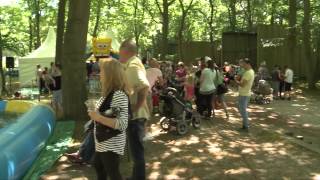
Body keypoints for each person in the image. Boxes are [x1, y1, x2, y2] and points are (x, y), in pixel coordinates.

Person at [88, 58, 130, 180]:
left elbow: (122, 124)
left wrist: (98, 117)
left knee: (112, 173)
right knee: (98, 166)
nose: (99, 74)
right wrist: (95, 112)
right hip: (103, 141)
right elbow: (108, 113)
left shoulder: (119, 95)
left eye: (102, 71)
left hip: (111, 142)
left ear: (110, 74)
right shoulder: (109, 93)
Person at [119, 39, 150, 180]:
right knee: (136, 151)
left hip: (136, 116)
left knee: (137, 152)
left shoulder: (132, 66)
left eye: (120, 49)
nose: (119, 53)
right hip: (137, 115)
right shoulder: (132, 64)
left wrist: (135, 108)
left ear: (126, 50)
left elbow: (143, 86)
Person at [235, 59, 255, 132]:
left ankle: (246, 126)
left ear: (248, 64)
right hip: (245, 93)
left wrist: (236, 81)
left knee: (242, 110)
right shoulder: (250, 71)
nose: (242, 65)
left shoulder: (248, 73)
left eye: (243, 64)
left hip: (244, 94)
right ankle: (245, 125)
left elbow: (243, 84)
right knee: (242, 110)